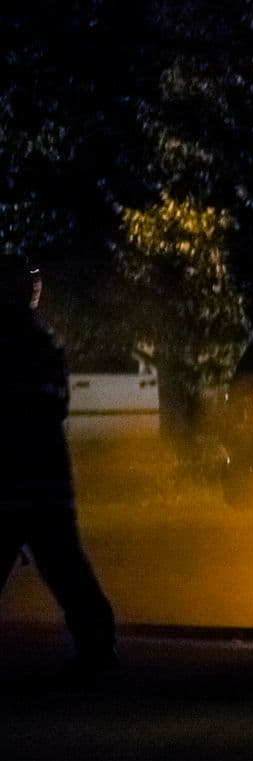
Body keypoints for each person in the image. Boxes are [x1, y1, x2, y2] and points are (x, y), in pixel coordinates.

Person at [0, 264, 118, 678]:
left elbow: (33, 408)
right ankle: (99, 651)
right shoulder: (42, 342)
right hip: (44, 481)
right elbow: (54, 406)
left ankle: (99, 651)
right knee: (67, 569)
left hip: (19, 481)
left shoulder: (20, 343)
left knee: (66, 569)